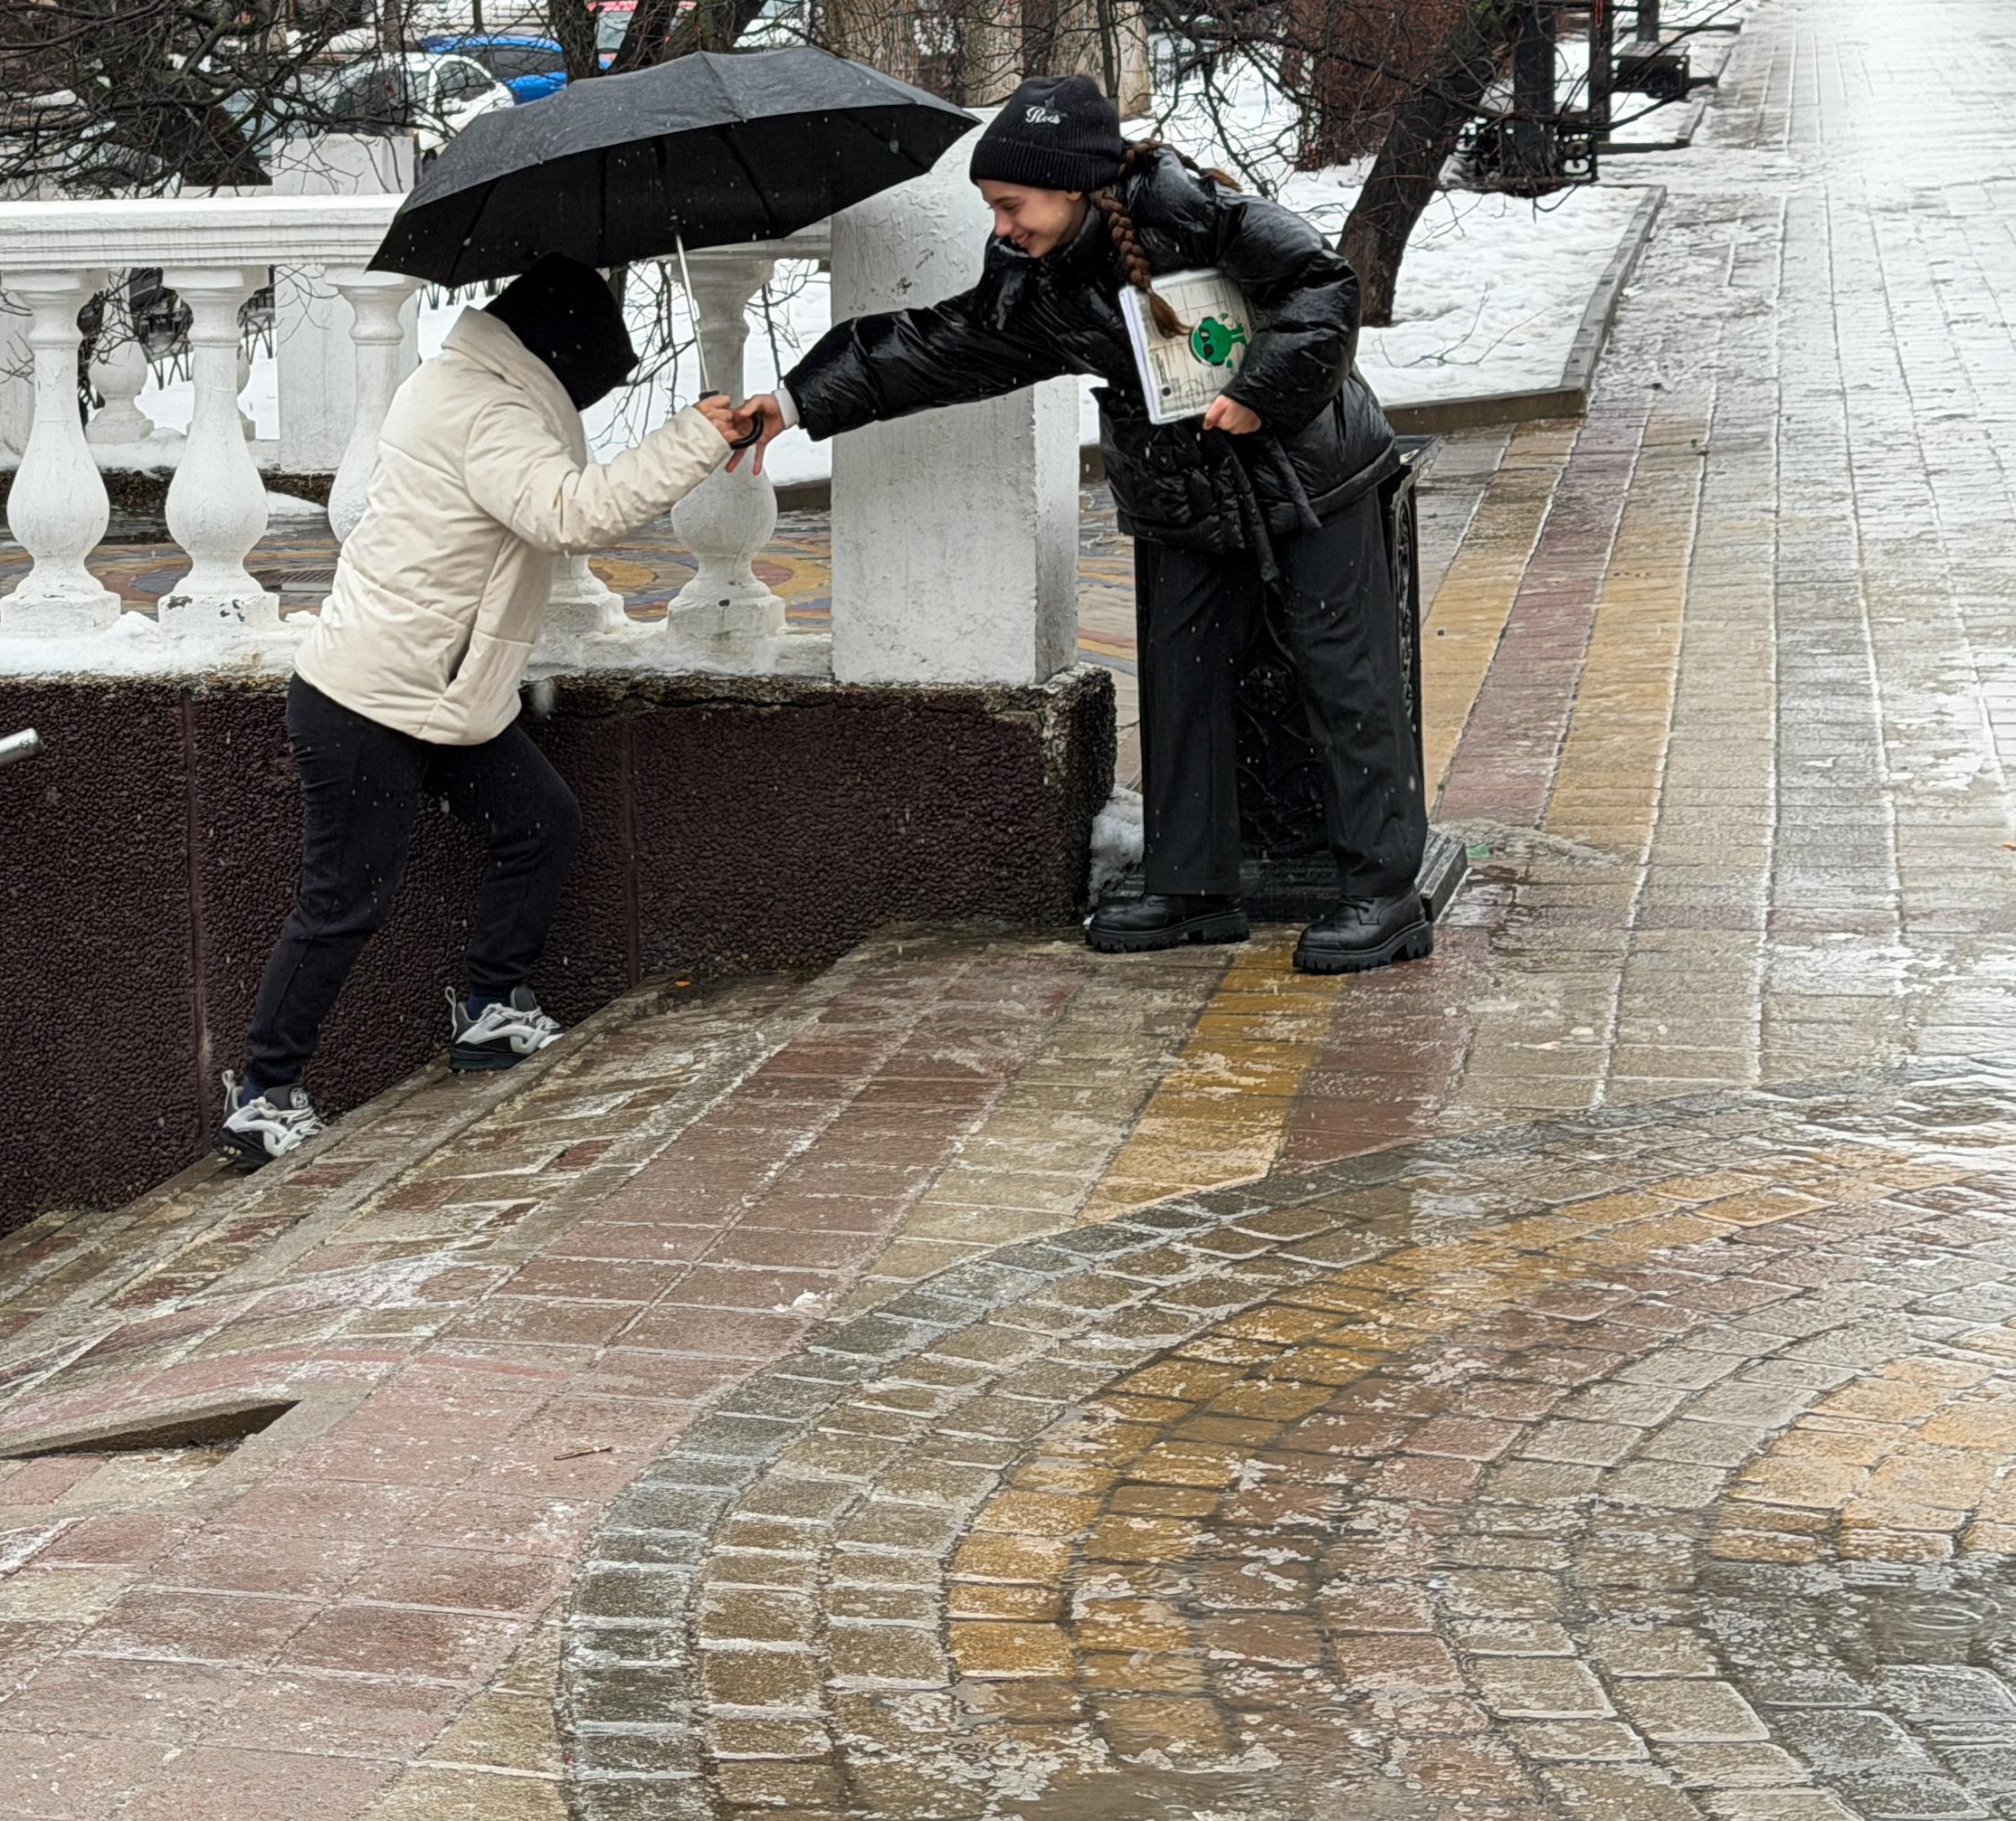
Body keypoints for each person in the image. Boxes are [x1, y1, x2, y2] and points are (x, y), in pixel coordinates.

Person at [743, 75, 1430, 975]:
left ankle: (1383, 894)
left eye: (1010, 205)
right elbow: (936, 347)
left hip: (1309, 475)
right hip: (1183, 491)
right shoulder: (1033, 278)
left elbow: (1321, 284)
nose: (1001, 227)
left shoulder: (1190, 210)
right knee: (1181, 683)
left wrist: (1259, 391)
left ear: (1070, 186)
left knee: (1345, 678)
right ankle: (1193, 889)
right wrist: (794, 401)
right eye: (993, 209)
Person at [221, 253, 760, 1168]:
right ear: (559, 354)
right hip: (371, 701)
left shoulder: (470, 385)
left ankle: (491, 1009)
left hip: (442, 690)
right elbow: (569, 515)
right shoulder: (489, 411)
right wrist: (692, 439)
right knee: (343, 902)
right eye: (590, 380)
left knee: (539, 820)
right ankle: (263, 1096)